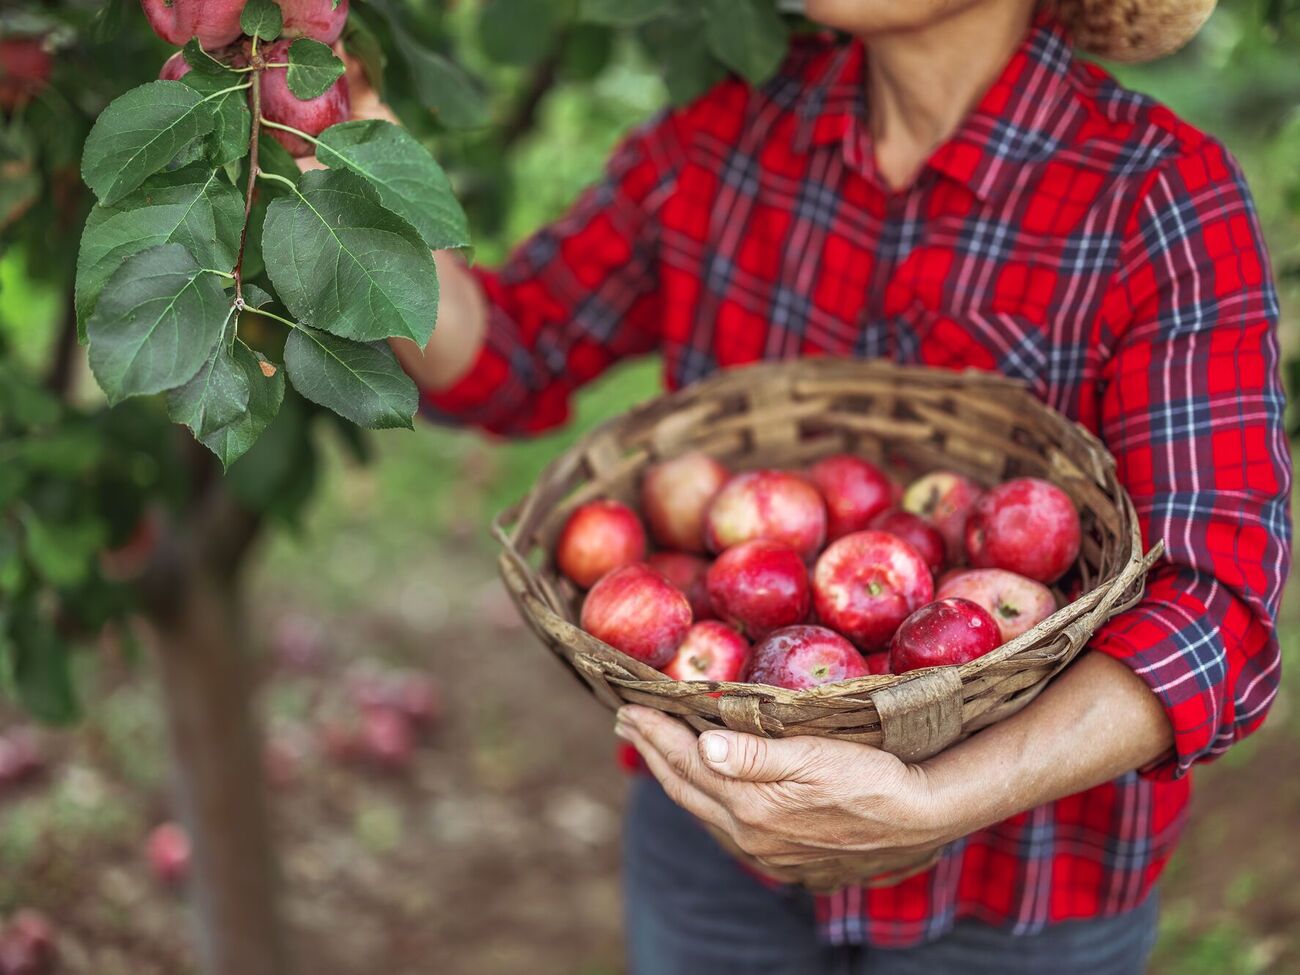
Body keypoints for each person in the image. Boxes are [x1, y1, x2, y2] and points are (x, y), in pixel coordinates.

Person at [350, 0, 1292, 971]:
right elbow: (512, 352)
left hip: (1018, 885)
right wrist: (344, 151)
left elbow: (1212, 611)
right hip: (720, 833)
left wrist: (940, 799)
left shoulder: (1156, 198)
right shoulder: (726, 136)